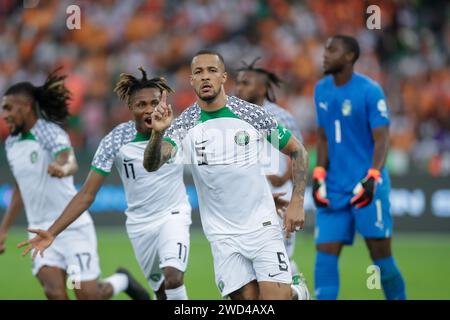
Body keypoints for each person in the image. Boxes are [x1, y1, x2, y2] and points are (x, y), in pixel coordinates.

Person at [143, 50, 309, 300]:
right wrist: (157, 134)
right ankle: (294, 294)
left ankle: (295, 292)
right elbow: (152, 164)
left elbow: (298, 151)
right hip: (222, 236)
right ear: (191, 81)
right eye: (199, 72)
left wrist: (297, 201)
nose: (205, 77)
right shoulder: (184, 124)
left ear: (223, 77)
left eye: (212, 71)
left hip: (262, 226)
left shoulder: (251, 115)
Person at [16, 68, 192, 300]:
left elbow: (153, 162)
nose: (149, 110)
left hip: (174, 213)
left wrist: (159, 133)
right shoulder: (114, 140)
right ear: (131, 108)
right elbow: (87, 194)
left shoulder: (174, 130)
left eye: (155, 103)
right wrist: (52, 232)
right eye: (141, 105)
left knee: (173, 277)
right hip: (140, 225)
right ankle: (126, 282)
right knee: (160, 291)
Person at [1, 69, 148, 300]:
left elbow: (67, 158)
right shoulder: (11, 144)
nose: (4, 114)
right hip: (40, 230)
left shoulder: (49, 132)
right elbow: (21, 187)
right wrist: (3, 228)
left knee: (86, 294)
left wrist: (63, 167)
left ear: (26, 107)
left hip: (72, 229)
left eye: (8, 107)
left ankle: (121, 281)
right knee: (55, 293)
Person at [312, 35, 406, 300]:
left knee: (381, 260)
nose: (325, 54)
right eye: (325, 48)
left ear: (350, 56)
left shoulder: (369, 90)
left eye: (332, 50)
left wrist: (373, 176)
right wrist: (319, 174)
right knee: (324, 258)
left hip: (365, 186)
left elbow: (382, 138)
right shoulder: (321, 89)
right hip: (333, 187)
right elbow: (322, 137)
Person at [235, 58, 310, 299]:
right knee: (249, 268)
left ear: (262, 88)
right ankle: (295, 288)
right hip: (248, 198)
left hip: (280, 196)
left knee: (275, 262)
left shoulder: (281, 117)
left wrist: (283, 176)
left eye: (246, 83)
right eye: (238, 83)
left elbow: (300, 153)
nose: (239, 88)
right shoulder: (234, 116)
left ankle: (296, 290)